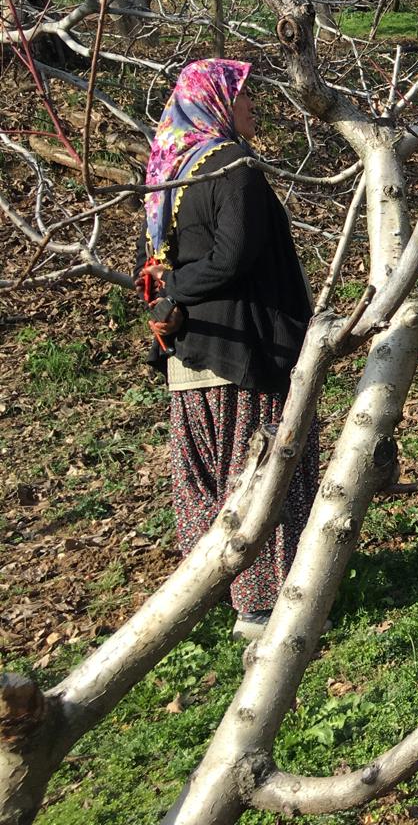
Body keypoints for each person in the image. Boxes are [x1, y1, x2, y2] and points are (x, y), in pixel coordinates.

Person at [141, 59, 316, 641]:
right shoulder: (234, 168)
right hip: (244, 347)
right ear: (215, 102)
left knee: (202, 474)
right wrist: (176, 295)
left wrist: (168, 301)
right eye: (243, 99)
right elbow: (235, 255)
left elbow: (174, 260)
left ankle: (207, 587)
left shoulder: (171, 172)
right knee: (259, 470)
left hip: (191, 347)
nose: (251, 109)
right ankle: (262, 603)